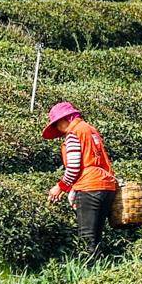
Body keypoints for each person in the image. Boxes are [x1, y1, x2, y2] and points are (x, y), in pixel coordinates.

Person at [42, 100, 119, 260]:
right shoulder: (90, 130)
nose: (58, 129)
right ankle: (99, 270)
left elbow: (74, 167)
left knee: (86, 238)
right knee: (96, 236)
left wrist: (60, 187)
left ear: (65, 119)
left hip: (90, 187)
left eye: (57, 124)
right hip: (107, 186)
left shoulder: (74, 133)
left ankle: (89, 275)